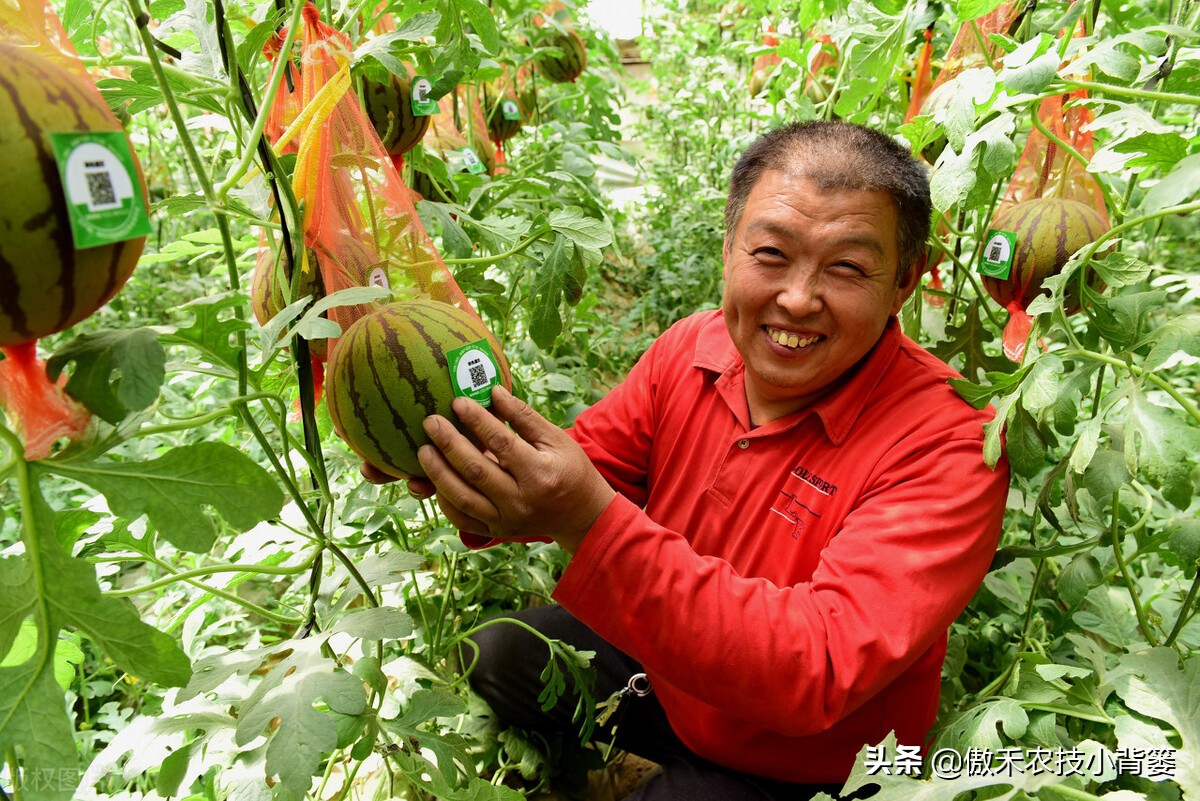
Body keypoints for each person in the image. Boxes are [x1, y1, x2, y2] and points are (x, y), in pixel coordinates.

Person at [373, 120, 1010, 800]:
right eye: (771, 254)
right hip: (675, 678)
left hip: (810, 762)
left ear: (904, 281)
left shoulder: (951, 437)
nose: (797, 297)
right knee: (497, 651)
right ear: (729, 246)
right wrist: (468, 460)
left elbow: (817, 666)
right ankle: (623, 772)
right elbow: (584, 467)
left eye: (846, 267)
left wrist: (588, 520)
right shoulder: (692, 351)